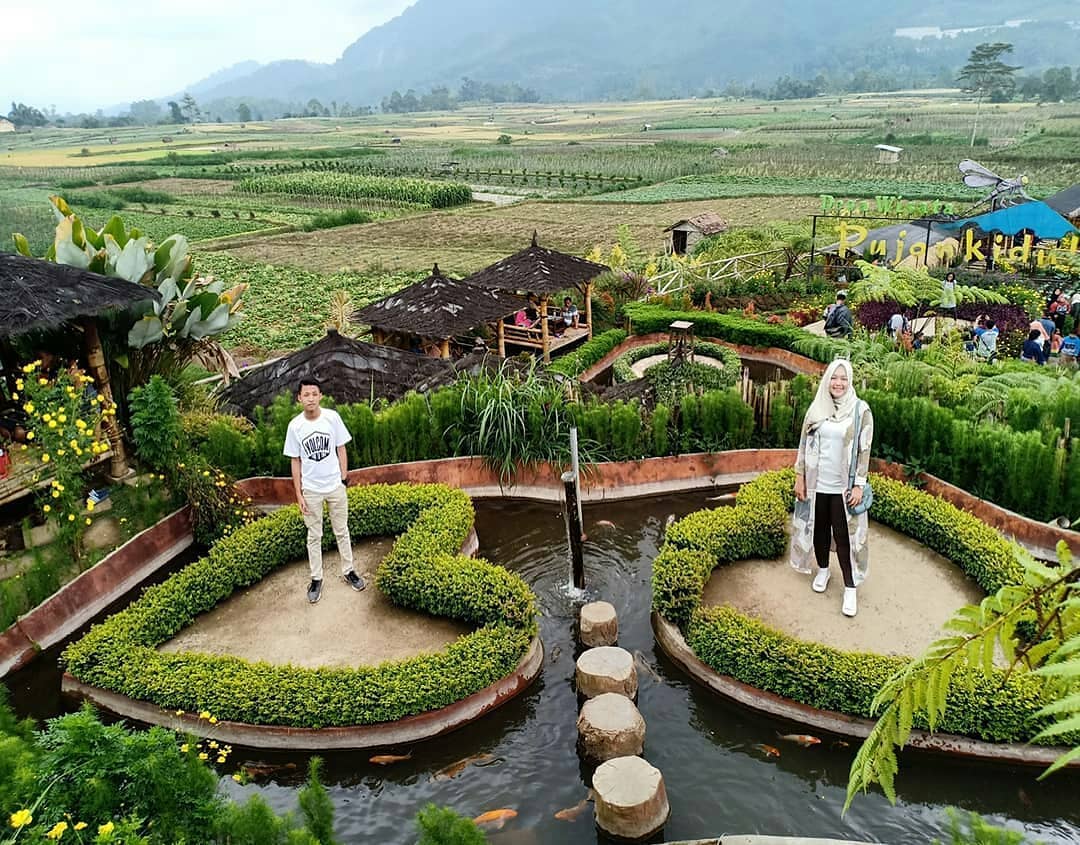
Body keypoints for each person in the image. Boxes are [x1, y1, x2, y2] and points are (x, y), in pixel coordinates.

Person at [790, 359, 873, 618]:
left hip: (842, 487)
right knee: (819, 529)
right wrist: (799, 476)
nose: (838, 383)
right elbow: (804, 444)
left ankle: (850, 587)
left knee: (844, 535)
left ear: (849, 381)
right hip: (817, 483)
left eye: (843, 378)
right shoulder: (817, 408)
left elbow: (864, 450)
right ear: (827, 380)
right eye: (834, 378)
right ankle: (823, 569)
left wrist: (859, 484)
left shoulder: (860, 411)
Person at [283, 377, 365, 604]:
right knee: (314, 535)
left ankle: (349, 571)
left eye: (314, 394)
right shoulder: (295, 426)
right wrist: (299, 493)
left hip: (334, 487)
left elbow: (341, 448)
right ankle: (316, 578)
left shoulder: (332, 418)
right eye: (305, 394)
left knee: (342, 530)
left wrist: (343, 478)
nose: (310, 398)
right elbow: (295, 461)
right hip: (311, 490)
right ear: (299, 398)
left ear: (320, 396)